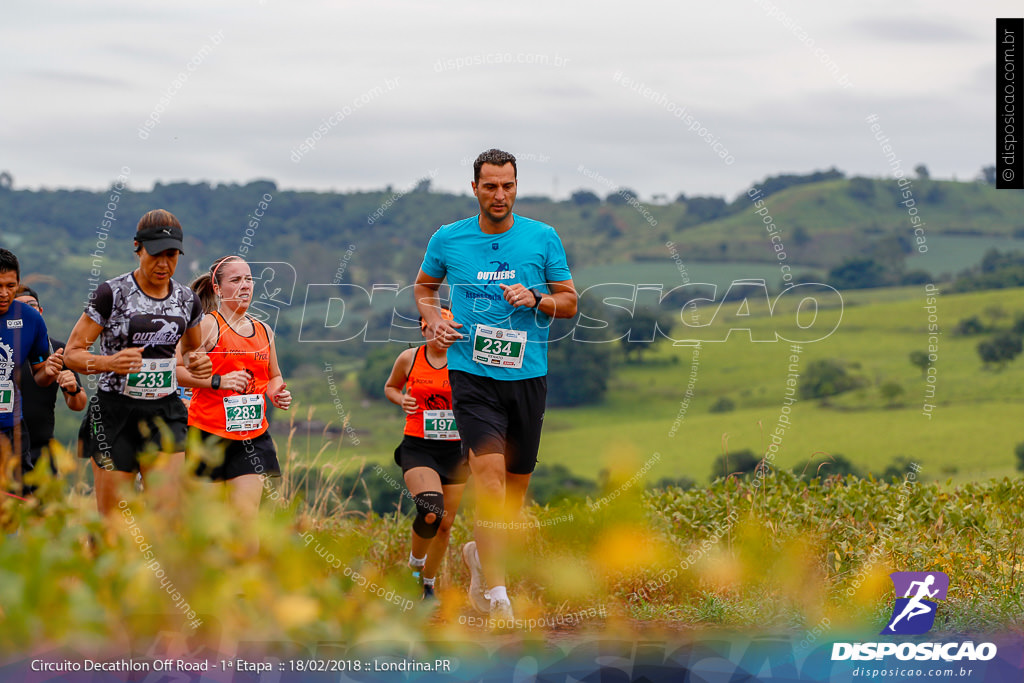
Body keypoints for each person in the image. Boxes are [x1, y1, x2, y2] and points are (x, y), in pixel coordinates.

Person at [413, 149, 578, 623]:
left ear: (516, 186)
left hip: (527, 376)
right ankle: (501, 599)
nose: (499, 195)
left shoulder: (542, 238)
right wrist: (434, 320)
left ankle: (480, 558)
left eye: (507, 186)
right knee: (487, 480)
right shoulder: (448, 239)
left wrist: (537, 298)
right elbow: (425, 290)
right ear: (475, 189)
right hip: (471, 374)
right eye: (490, 186)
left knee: (513, 496)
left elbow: (569, 302)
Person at [65, 209, 212, 519]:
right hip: (114, 413)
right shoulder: (112, 294)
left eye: (171, 255)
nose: (163, 263)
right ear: (138, 248)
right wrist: (109, 363)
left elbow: (193, 352)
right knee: (114, 522)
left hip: (165, 412)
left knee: (166, 516)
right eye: (156, 254)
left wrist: (200, 364)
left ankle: (158, 567)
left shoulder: (187, 300)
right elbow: (72, 354)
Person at [176, 255, 291, 520]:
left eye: (249, 279)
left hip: (252, 438)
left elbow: (274, 376)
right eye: (236, 280)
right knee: (209, 525)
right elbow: (176, 369)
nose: (245, 285)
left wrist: (276, 393)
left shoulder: (264, 331)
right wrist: (217, 381)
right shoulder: (207, 326)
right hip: (208, 436)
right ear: (217, 288)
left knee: (245, 519)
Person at [384, 308, 467, 602]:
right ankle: (415, 567)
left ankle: (428, 585)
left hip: (456, 450)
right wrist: (401, 399)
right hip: (419, 446)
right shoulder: (410, 359)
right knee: (432, 510)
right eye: (434, 328)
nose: (440, 334)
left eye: (446, 329)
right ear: (424, 329)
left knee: (445, 525)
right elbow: (391, 387)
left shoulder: (465, 362)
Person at [0, 250, 63, 495]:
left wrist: (48, 371)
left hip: (12, 430)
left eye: (10, 286)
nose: (4, 293)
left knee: (15, 506)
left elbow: (40, 374)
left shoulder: (29, 319)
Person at [15, 286, 88, 492]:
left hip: (43, 453)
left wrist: (72, 387)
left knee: (42, 519)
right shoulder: (5, 348)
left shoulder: (56, 350)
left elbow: (78, 404)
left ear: (40, 311)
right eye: (19, 308)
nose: (27, 311)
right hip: (6, 451)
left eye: (31, 306)